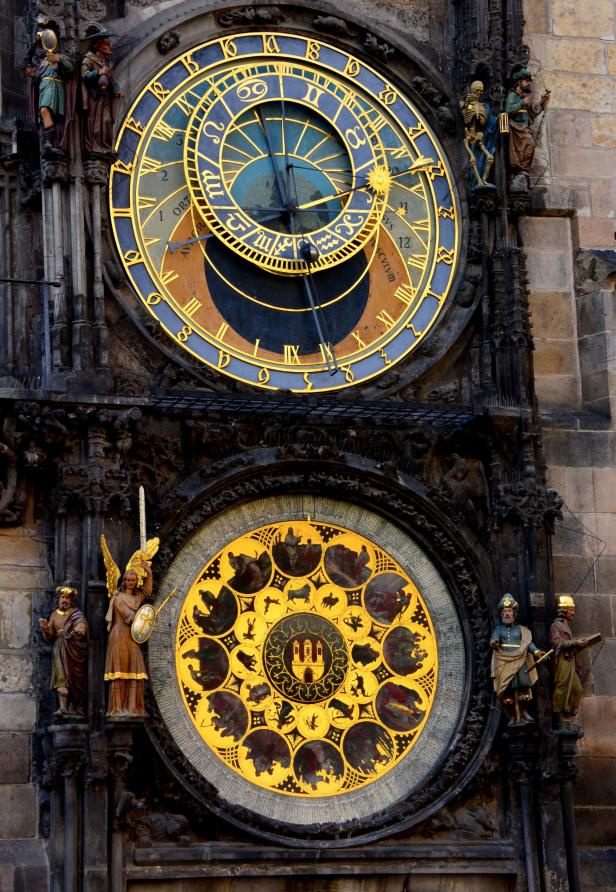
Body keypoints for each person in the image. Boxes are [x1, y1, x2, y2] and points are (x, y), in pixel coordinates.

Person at [104, 560, 152, 717]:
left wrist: (149, 573)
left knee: (135, 670)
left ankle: (133, 707)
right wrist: (145, 619)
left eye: (133, 580)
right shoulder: (118, 598)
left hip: (133, 636)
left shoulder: (137, 597)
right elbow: (130, 617)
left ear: (137, 581)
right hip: (120, 636)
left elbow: (147, 591)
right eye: (128, 580)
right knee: (120, 671)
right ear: (124, 581)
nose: (131, 583)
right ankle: (117, 708)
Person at [490, 594, 544, 725]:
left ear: (514, 614)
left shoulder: (521, 630)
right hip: (504, 662)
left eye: (509, 611)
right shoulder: (499, 629)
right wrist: (494, 642)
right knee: (507, 692)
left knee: (523, 690)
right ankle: (512, 716)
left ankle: (524, 712)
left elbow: (527, 643)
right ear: (501, 614)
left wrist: (536, 652)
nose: (507, 614)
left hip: (520, 661)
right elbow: (493, 639)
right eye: (505, 611)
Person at [39, 585, 88, 716]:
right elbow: (50, 635)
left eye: (67, 598)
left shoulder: (76, 614)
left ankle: (75, 706)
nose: (64, 600)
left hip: (73, 648)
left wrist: (80, 629)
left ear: (71, 600)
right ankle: (63, 707)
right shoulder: (54, 615)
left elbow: (81, 624)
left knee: (74, 678)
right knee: (61, 677)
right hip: (59, 648)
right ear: (59, 599)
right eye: (62, 597)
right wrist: (45, 628)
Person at [549, 595, 600, 719]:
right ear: (563, 610)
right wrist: (575, 642)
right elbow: (555, 642)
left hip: (571, 660)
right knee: (561, 686)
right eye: (571, 609)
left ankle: (569, 716)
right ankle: (558, 715)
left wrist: (580, 644)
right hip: (562, 660)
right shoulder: (556, 626)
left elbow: (569, 644)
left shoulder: (566, 626)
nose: (573, 613)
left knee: (578, 690)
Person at [24, 27, 75, 152]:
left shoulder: (59, 57)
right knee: (45, 113)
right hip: (43, 87)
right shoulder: (42, 63)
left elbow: (70, 69)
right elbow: (36, 75)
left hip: (54, 86)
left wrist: (59, 60)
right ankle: (49, 141)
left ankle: (49, 141)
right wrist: (32, 75)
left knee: (44, 110)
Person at [505, 67, 550, 191]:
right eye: (526, 81)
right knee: (529, 144)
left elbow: (530, 114)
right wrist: (521, 103)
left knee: (529, 145)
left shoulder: (522, 97)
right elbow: (508, 110)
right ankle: (519, 169)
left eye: (529, 81)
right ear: (519, 82)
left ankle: (522, 170)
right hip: (516, 128)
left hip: (524, 128)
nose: (529, 83)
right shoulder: (513, 96)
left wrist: (542, 103)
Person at [81, 28, 123, 155]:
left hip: (105, 99)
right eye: (107, 44)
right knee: (96, 123)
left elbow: (112, 81)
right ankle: (95, 147)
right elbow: (84, 75)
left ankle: (105, 147)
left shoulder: (106, 63)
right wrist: (98, 72)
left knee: (107, 121)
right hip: (94, 98)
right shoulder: (89, 59)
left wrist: (116, 91)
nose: (110, 47)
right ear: (99, 46)